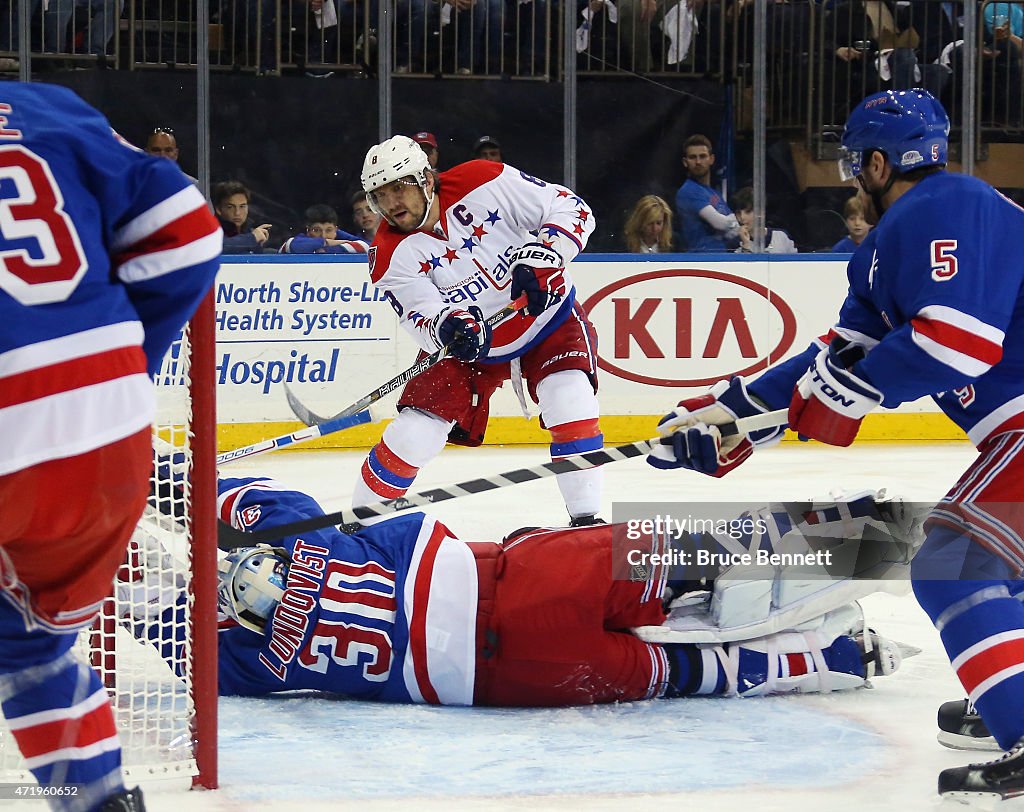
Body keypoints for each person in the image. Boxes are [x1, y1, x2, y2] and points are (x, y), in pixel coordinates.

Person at [645, 89, 1024, 802]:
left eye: (856, 166)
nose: (853, 179)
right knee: (1003, 566)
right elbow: (836, 356)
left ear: (878, 164)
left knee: (956, 561)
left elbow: (960, 342)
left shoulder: (946, 205)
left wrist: (856, 390)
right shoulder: (893, 245)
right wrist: (729, 415)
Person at [122, 474, 911, 710]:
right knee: (688, 557)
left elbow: (172, 642)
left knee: (685, 678)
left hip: (506, 683)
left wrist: (125, 593)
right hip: (517, 582)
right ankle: (889, 538)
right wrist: (151, 487)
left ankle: (839, 655)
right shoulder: (304, 536)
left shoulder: (258, 661)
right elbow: (228, 489)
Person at [0, 82, 221, 812]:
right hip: (108, 428)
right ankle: (97, 803)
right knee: (27, 646)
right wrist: (125, 362)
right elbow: (190, 231)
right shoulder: (43, 108)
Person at [353, 135, 604, 526]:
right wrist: (447, 326)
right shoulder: (389, 254)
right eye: (380, 195)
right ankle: (356, 529)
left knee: (570, 397)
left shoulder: (484, 180)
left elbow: (571, 207)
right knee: (415, 432)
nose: (391, 203)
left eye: (399, 188)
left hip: (546, 316)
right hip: (474, 349)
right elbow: (420, 315)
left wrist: (547, 253)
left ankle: (587, 522)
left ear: (425, 179)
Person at [675, 134, 741, 252]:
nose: (698, 161)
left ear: (711, 159)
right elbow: (720, 224)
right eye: (693, 157)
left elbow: (732, 228)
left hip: (722, 257)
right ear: (685, 162)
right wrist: (735, 225)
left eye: (703, 156)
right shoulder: (689, 191)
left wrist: (731, 225)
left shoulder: (714, 193)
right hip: (700, 259)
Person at [729, 186, 798, 254]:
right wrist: (745, 246)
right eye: (738, 213)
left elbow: (796, 263)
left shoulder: (781, 237)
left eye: (748, 212)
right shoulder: (734, 244)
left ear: (761, 213)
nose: (742, 217)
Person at [279, 203, 368, 254]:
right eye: (316, 230)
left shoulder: (338, 235)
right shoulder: (297, 241)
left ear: (336, 230)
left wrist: (325, 249)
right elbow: (290, 245)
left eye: (329, 230)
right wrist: (327, 242)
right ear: (308, 230)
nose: (323, 235)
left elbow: (366, 246)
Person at [212, 180, 273, 254]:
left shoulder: (250, 231)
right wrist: (252, 238)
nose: (237, 213)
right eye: (230, 207)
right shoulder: (210, 230)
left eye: (242, 206)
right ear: (219, 209)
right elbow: (215, 246)